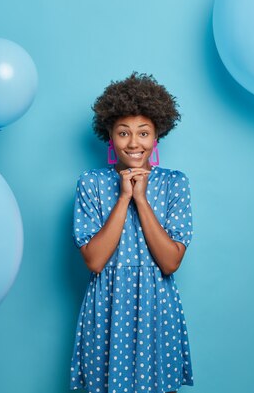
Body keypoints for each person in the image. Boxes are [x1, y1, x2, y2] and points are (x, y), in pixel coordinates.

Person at [69, 73, 194, 393]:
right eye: (123, 133)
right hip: (107, 305)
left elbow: (170, 262)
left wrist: (141, 198)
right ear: (109, 135)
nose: (134, 142)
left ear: (157, 137)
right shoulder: (91, 183)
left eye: (143, 133)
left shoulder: (174, 183)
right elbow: (95, 261)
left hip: (156, 305)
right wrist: (124, 196)